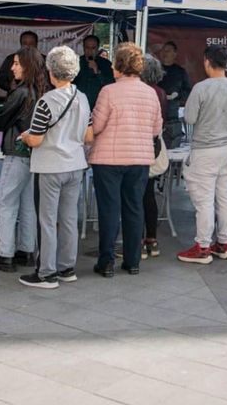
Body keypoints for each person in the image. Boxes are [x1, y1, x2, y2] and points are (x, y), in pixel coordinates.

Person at [18, 46, 91, 289]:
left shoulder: (46, 101)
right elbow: (89, 135)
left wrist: (26, 136)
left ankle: (46, 273)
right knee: (69, 218)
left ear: (50, 71)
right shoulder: (82, 98)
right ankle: (67, 268)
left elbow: (36, 140)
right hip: (75, 164)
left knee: (46, 221)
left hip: (50, 166)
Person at [90, 43, 163, 277]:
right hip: (139, 159)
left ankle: (106, 262)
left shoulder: (108, 91)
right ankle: (132, 261)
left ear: (119, 66)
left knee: (109, 211)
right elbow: (156, 129)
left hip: (108, 161)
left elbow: (97, 126)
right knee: (134, 208)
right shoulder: (150, 93)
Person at [177, 45, 227, 264]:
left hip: (205, 149)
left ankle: (203, 247)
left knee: (204, 200)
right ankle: (224, 243)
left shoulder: (201, 88)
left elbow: (189, 118)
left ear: (207, 61)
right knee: (224, 196)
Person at [0, 46, 48, 272]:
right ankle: (26, 251)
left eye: (17, 63)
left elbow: (2, 119)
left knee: (6, 203)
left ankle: (6, 255)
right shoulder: (41, 90)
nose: (12, 67)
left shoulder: (21, 92)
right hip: (34, 155)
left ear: (27, 66)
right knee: (28, 204)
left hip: (17, 152)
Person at [140, 55, 169, 258]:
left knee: (136, 196)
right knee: (148, 194)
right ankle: (152, 239)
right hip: (154, 144)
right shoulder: (161, 93)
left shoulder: (143, 92)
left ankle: (139, 240)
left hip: (139, 145)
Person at [157, 41, 193, 148]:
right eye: (163, 50)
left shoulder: (180, 72)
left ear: (174, 54)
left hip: (172, 115)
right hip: (156, 112)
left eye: (168, 51)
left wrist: (177, 95)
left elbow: (188, 91)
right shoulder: (156, 70)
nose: (165, 53)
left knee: (172, 147)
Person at [74, 34, 115, 111]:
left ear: (98, 48)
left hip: (99, 106)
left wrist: (97, 71)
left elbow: (110, 85)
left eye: (93, 48)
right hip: (79, 106)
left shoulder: (106, 64)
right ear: (83, 48)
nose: (90, 51)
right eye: (87, 47)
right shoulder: (76, 63)